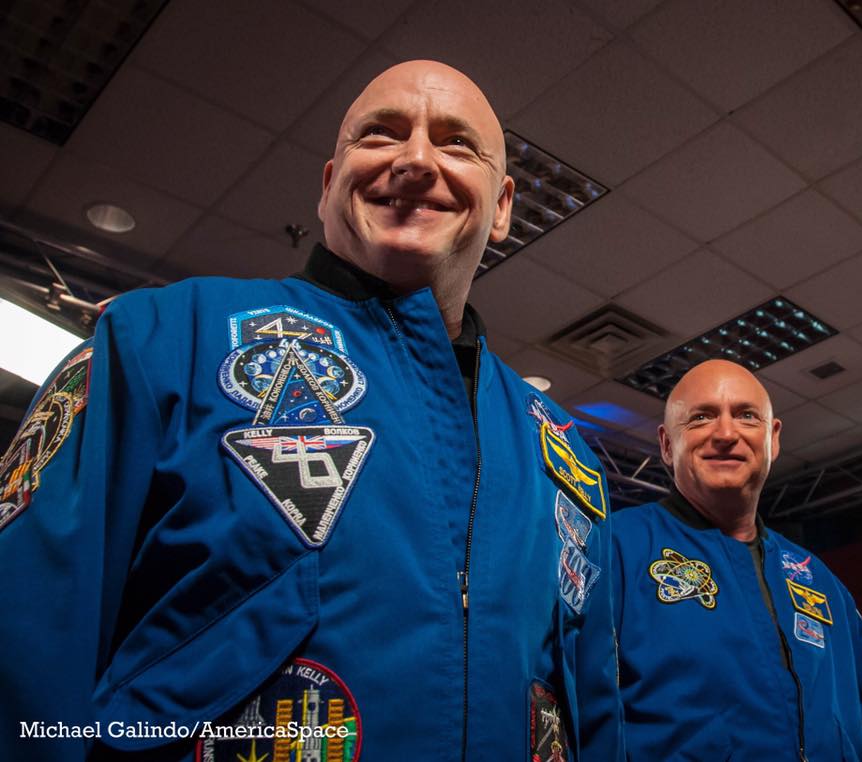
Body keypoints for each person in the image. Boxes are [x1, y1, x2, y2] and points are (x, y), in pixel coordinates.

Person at [0, 61, 623, 761]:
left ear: (503, 206)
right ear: (329, 188)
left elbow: (592, 709)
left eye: (455, 145)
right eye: (381, 135)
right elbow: (23, 641)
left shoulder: (562, 453)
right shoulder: (163, 341)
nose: (416, 159)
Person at [612, 359, 862, 761]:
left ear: (773, 439)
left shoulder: (817, 579)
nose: (726, 433)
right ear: (666, 444)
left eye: (746, 416)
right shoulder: (617, 548)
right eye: (702, 417)